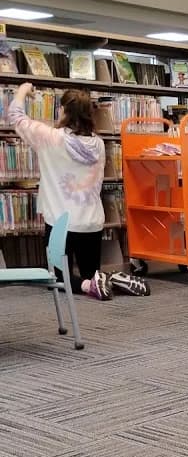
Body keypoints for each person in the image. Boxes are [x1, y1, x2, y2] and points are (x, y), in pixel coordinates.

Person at [8, 83, 149, 297]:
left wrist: (22, 90)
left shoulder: (51, 138)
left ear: (63, 111)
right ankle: (112, 279)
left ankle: (94, 284)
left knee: (55, 278)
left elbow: (16, 116)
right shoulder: (99, 144)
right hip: (91, 223)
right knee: (91, 274)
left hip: (60, 223)